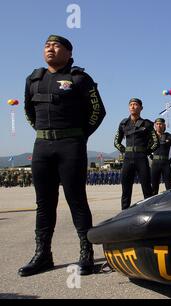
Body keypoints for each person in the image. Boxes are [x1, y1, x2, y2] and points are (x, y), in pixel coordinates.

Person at [20, 35, 106, 277]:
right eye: (47, 45)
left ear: (69, 53)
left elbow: (98, 111)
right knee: (44, 203)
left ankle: (86, 255)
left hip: (71, 145)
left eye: (56, 45)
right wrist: (45, 132)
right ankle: (43, 255)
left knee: (76, 199)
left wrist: (79, 136)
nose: (50, 48)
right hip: (42, 147)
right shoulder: (34, 79)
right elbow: (29, 111)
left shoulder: (79, 78)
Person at [114, 98, 158, 210]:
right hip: (127, 159)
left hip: (141, 159)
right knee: (126, 189)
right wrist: (124, 150)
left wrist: (146, 152)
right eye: (131, 105)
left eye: (135, 104)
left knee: (147, 188)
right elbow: (116, 142)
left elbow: (155, 142)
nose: (133, 107)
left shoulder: (147, 124)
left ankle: (149, 212)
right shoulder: (123, 123)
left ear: (141, 108)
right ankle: (124, 214)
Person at [151, 118, 171, 195]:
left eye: (161, 124)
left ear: (164, 125)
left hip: (166, 164)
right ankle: (153, 205)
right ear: (155, 125)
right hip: (155, 164)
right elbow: (146, 149)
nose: (159, 126)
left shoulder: (169, 136)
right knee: (154, 187)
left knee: (169, 187)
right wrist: (150, 158)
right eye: (157, 124)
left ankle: (170, 204)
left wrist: (170, 161)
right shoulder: (151, 136)